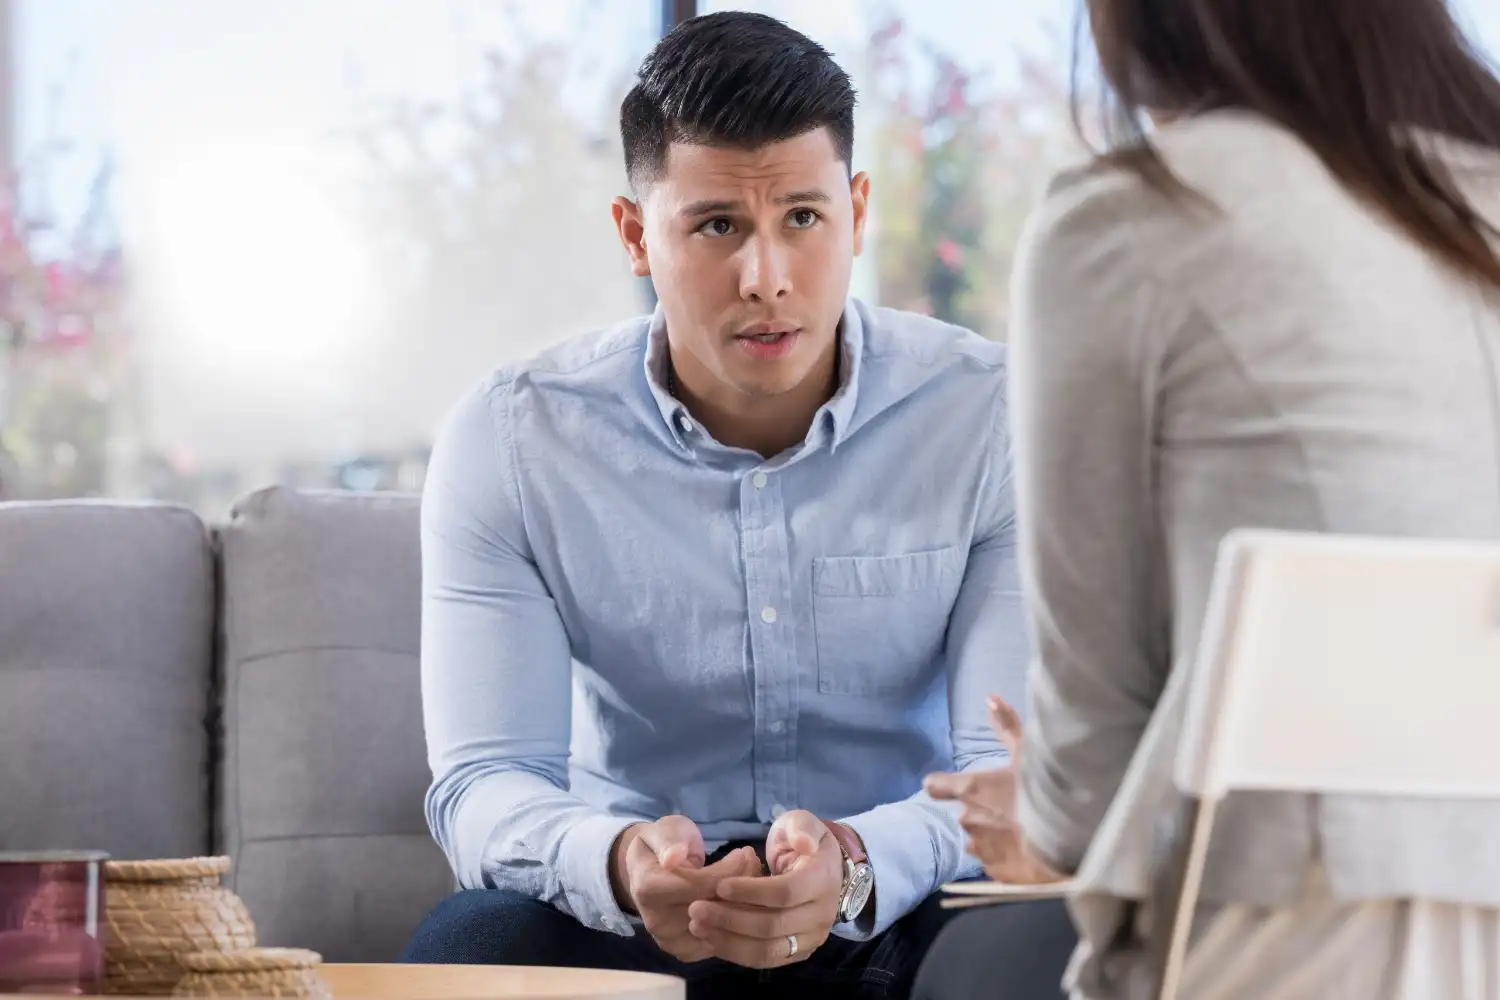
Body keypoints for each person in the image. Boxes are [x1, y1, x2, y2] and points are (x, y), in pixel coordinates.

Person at [401, 11, 1064, 998]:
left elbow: (994, 773)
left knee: (1053, 945)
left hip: (897, 911)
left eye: (803, 217)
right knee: (472, 947)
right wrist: (621, 864)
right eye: (717, 225)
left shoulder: (992, 420)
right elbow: (485, 782)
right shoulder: (513, 441)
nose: (767, 278)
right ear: (635, 234)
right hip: (640, 925)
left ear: (858, 212)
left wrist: (853, 863)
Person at [914, 1, 1500, 998]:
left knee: (961, 972)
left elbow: (1088, 789)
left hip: (1291, 928)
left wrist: (1039, 806)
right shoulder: (1472, 188)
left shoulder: (1134, 220)